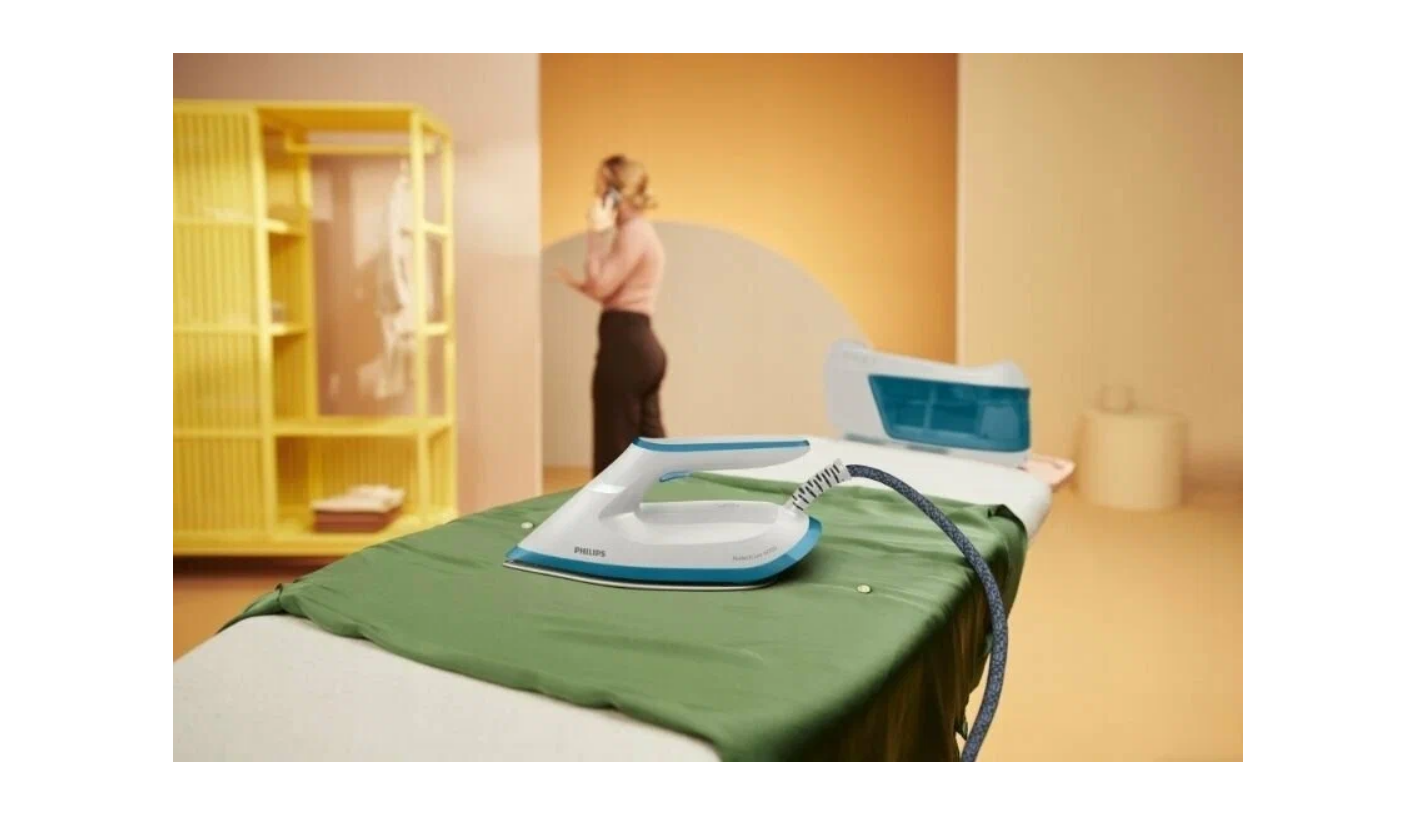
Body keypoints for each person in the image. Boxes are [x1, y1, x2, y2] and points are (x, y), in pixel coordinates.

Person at [555, 155, 668, 476]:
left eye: (601, 189)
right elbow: (610, 291)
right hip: (640, 345)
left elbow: (603, 284)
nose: (596, 197)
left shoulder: (633, 232)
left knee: (613, 454)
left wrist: (594, 233)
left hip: (625, 347)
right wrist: (580, 285)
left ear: (616, 195)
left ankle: (611, 511)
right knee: (654, 455)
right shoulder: (641, 232)